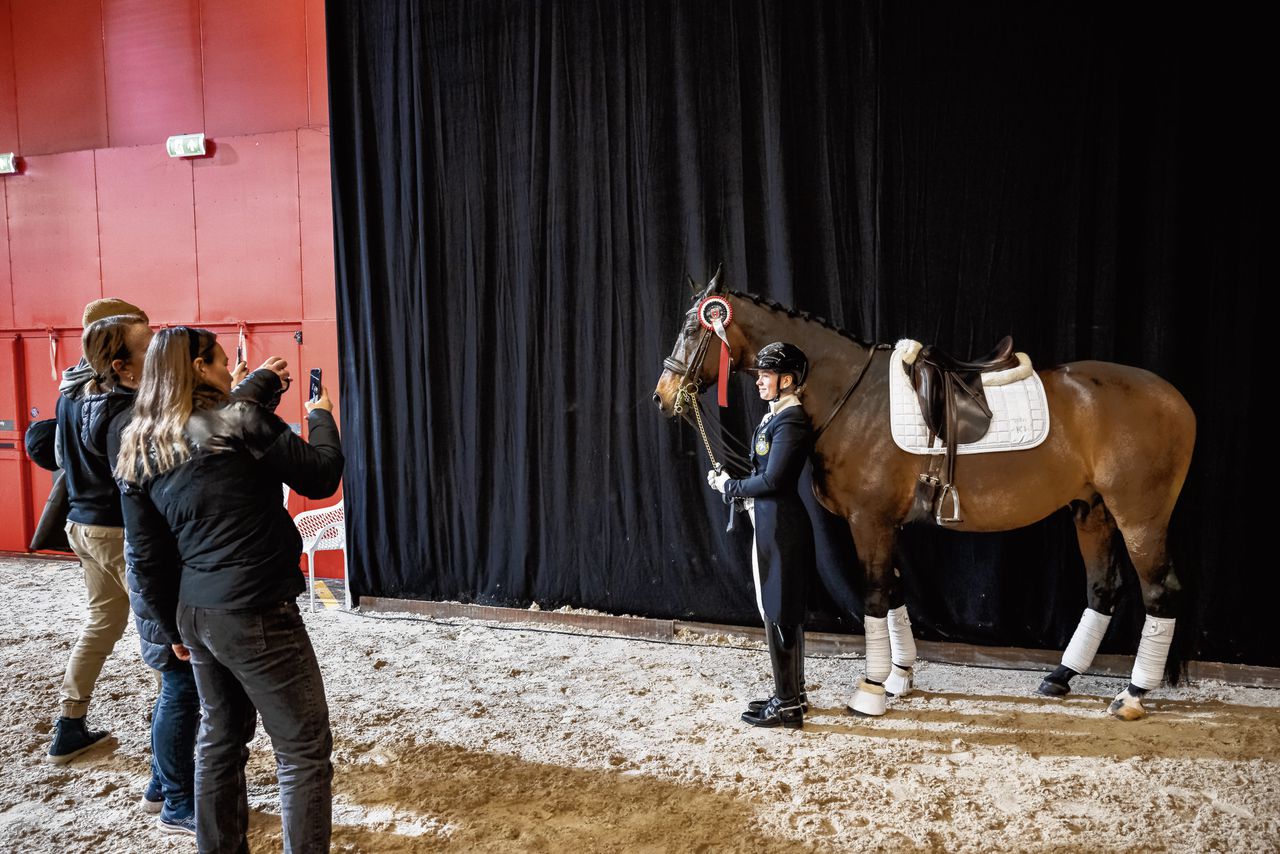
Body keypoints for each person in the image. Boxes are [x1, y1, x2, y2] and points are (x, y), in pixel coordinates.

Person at [116, 327, 343, 852]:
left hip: (196, 610)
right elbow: (323, 475)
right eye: (222, 361)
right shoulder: (239, 419)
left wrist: (168, 623)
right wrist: (320, 415)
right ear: (198, 368)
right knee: (303, 751)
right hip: (255, 606)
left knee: (219, 742)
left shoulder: (141, 444)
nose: (228, 370)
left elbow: (145, 556)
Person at [96, 339, 290, 838]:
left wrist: (251, 390)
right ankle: (175, 795)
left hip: (189, 593)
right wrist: (163, 625)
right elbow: (149, 550)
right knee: (187, 697)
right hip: (192, 591)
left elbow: (219, 429)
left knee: (215, 726)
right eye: (142, 346)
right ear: (192, 368)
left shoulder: (148, 422)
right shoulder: (136, 427)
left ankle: (171, 788)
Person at [48, 301, 154, 764]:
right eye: (146, 345)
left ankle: (69, 725)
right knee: (163, 633)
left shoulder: (69, 394)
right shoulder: (122, 407)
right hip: (117, 532)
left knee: (102, 623)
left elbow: (53, 453)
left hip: (81, 524)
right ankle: (171, 737)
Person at [706, 342, 815, 729]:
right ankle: (793, 695)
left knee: (780, 611)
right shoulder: (775, 418)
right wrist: (732, 482)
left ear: (787, 380)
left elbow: (773, 479)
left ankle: (787, 705)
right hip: (771, 524)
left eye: (766, 376)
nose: (759, 383)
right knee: (778, 610)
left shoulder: (793, 420)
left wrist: (729, 487)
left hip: (782, 526)